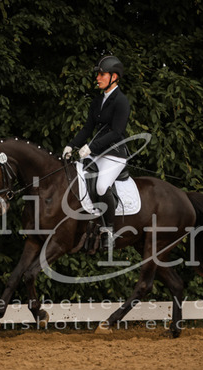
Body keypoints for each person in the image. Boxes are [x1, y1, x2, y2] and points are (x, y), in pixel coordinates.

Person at [63, 55, 131, 250]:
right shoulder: (97, 101)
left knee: (101, 187)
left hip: (114, 154)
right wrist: (71, 145)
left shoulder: (121, 101)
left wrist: (92, 147)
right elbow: (87, 129)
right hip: (96, 153)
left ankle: (108, 230)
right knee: (78, 180)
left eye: (102, 75)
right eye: (98, 75)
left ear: (114, 77)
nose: (98, 78)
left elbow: (116, 132)